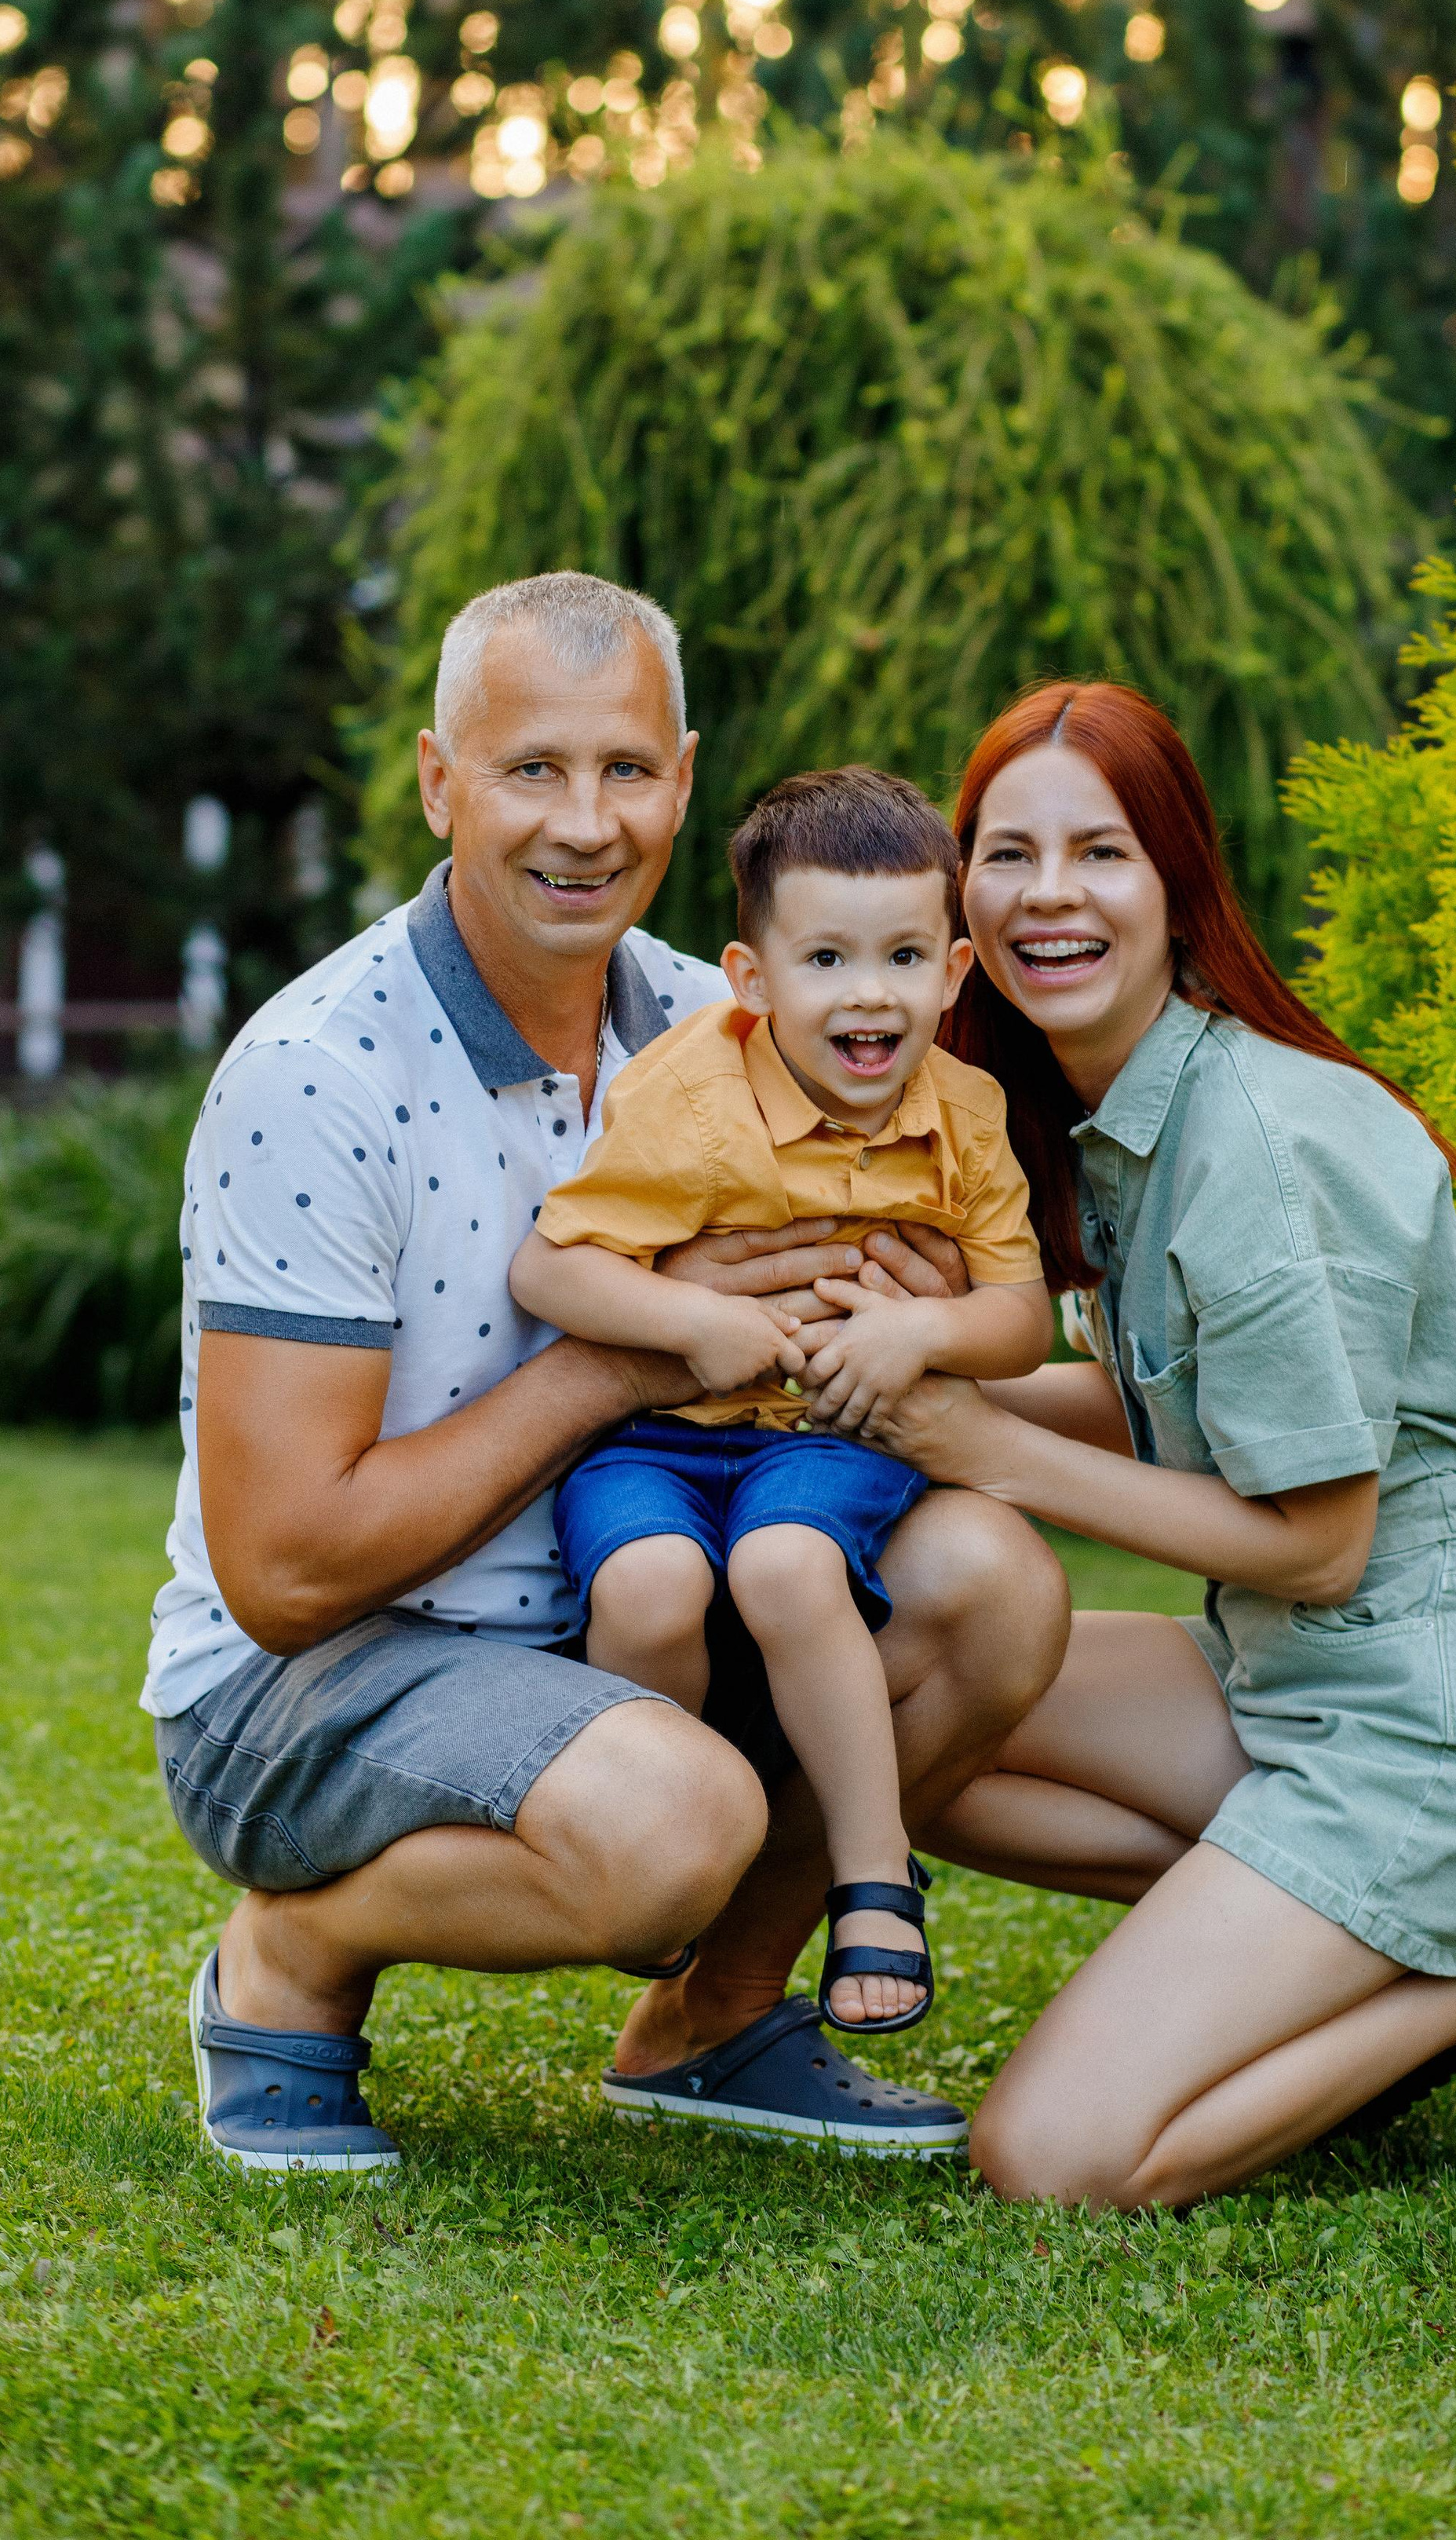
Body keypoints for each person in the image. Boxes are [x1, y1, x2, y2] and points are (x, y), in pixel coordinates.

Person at [148, 572, 1067, 2172]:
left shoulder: (731, 1022)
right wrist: (622, 1354)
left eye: (625, 770)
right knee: (674, 1818)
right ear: (442, 781)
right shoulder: (318, 1076)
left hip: (635, 1595)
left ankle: (714, 2022)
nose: (584, 823)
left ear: (686, 779)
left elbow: (917, 1306)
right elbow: (287, 1576)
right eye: (531, 770)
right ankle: (284, 1964)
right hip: (316, 1679)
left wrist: (907, 1311)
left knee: (993, 1587)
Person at [845, 682, 1456, 2209]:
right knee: (916, 1726)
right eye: (1005, 853)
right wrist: (887, 1388)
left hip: (1446, 1720)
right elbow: (1165, 1401)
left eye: (1099, 852)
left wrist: (977, 1443)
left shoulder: (1261, 1145)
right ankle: (1317, 1970)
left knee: (1050, 2157)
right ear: (959, 895)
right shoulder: (1111, 1121)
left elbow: (1319, 1540)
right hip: (1289, 1683)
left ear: (1177, 884)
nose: (1050, 894)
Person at [509, 768, 1051, 2034]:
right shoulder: (690, 1097)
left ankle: (872, 1876)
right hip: (656, 1438)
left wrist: (922, 1328)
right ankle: (663, 1848)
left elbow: (1022, 1322)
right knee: (649, 1590)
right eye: (826, 958)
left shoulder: (966, 1118)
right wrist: (692, 1321)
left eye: (907, 956)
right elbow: (552, 1263)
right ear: (752, 982)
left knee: (790, 1566)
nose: (870, 993)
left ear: (956, 974)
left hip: (829, 1432)